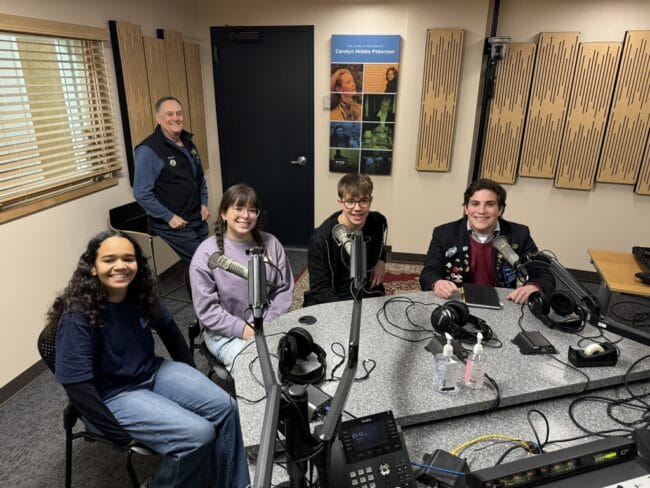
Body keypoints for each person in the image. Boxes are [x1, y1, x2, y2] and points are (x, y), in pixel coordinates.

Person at [48, 230, 250, 488]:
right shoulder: (77, 315)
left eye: (128, 258)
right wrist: (118, 436)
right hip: (113, 394)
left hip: (152, 372)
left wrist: (192, 376)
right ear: (92, 268)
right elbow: (77, 386)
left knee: (227, 407)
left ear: (137, 264)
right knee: (198, 434)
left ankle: (235, 483)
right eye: (109, 260)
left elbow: (170, 331)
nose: (120, 266)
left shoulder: (139, 293)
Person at [190, 184, 294, 370]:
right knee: (258, 370)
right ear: (223, 213)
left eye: (252, 210)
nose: (245, 216)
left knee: (295, 360)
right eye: (238, 208)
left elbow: (283, 289)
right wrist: (245, 330)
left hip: (268, 323)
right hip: (225, 332)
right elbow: (207, 310)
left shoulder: (272, 244)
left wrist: (267, 324)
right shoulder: (206, 253)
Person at [419, 178, 555, 304]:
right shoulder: (444, 234)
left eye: (489, 204)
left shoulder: (519, 234)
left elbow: (542, 273)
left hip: (503, 302)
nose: (481, 211)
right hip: (457, 301)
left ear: (500, 209)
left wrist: (534, 286)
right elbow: (429, 272)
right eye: (475, 204)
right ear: (466, 208)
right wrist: (436, 283)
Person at [134, 96, 210, 263]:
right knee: (206, 264)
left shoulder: (188, 142)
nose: (175, 118)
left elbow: (198, 178)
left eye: (179, 113)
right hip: (176, 223)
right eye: (169, 114)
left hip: (197, 217)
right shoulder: (148, 150)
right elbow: (141, 193)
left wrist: (203, 203)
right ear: (158, 118)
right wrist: (169, 217)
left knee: (206, 262)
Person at [304, 173, 387, 306]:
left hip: (367, 292)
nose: (357, 208)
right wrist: (345, 314)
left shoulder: (378, 221)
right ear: (341, 203)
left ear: (370, 201)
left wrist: (381, 260)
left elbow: (382, 238)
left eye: (363, 201)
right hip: (334, 298)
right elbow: (320, 289)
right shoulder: (320, 240)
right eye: (350, 201)